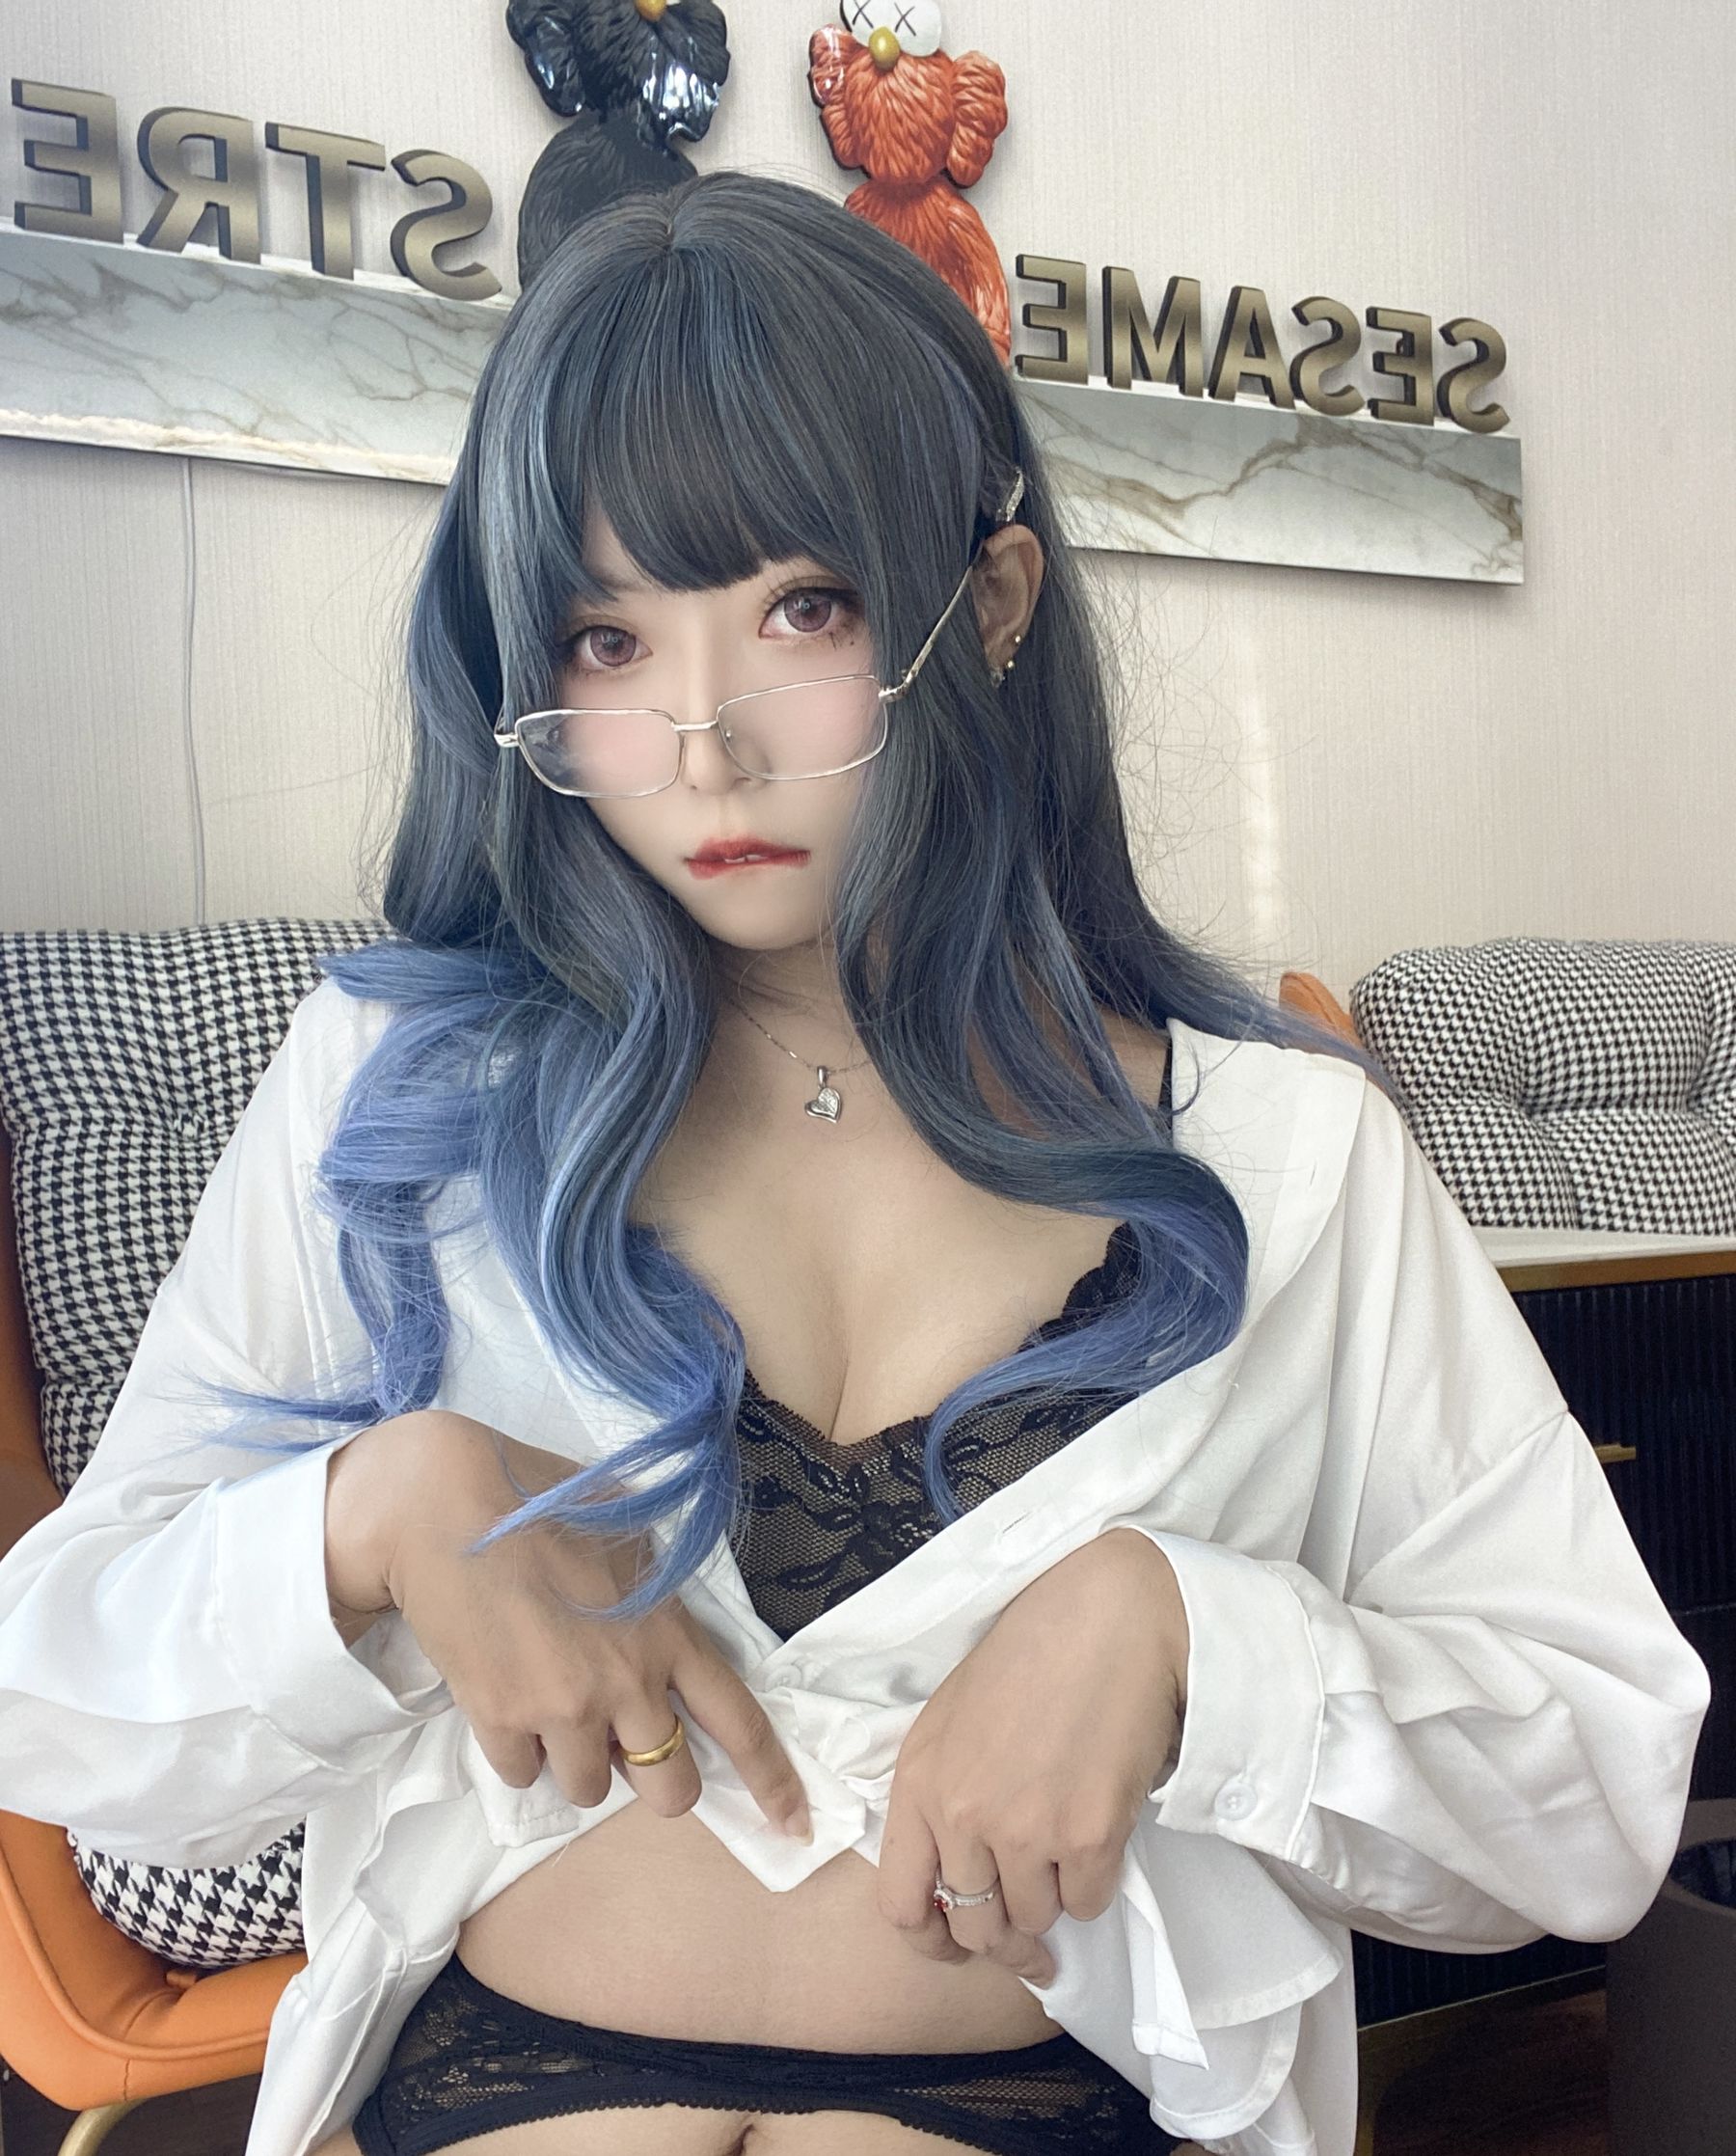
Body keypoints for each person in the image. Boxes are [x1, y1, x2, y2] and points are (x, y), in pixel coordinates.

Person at [0, 171, 1710, 2156]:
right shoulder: (405, 1091)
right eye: (606, 638)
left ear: (989, 601)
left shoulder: (1286, 1150)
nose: (702, 745)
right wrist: (374, 1517)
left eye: (801, 608)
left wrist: (1190, 1638)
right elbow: (56, 1704)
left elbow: (1593, 1795)